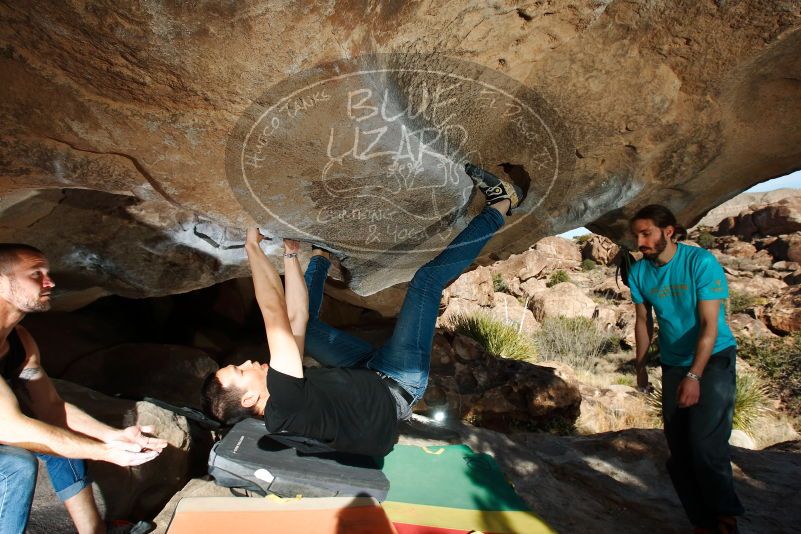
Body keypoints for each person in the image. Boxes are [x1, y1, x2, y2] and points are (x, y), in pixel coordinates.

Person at [202, 163, 523, 456]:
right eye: (240, 371)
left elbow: (296, 316)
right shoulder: (284, 405)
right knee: (426, 281)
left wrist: (290, 256)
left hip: (364, 375)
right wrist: (252, 247)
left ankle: (320, 257)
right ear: (249, 399)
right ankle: (501, 204)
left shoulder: (281, 403)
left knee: (305, 329)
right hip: (399, 381)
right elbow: (273, 312)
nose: (246, 362)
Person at [0, 244, 168, 534]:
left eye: (47, 273)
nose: (50, 282)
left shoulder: (20, 342)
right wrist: (105, 452)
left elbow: (52, 408)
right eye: (36, 274)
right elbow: (11, 428)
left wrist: (114, 436)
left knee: (59, 436)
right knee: (17, 465)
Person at [628, 205, 744, 533]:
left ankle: (726, 518)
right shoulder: (639, 272)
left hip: (714, 356)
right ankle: (702, 522)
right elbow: (642, 321)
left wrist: (694, 376)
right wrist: (641, 367)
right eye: (636, 235)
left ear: (668, 231)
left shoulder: (700, 262)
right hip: (673, 362)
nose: (640, 242)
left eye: (646, 234)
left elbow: (709, 325)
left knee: (705, 445)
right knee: (679, 451)